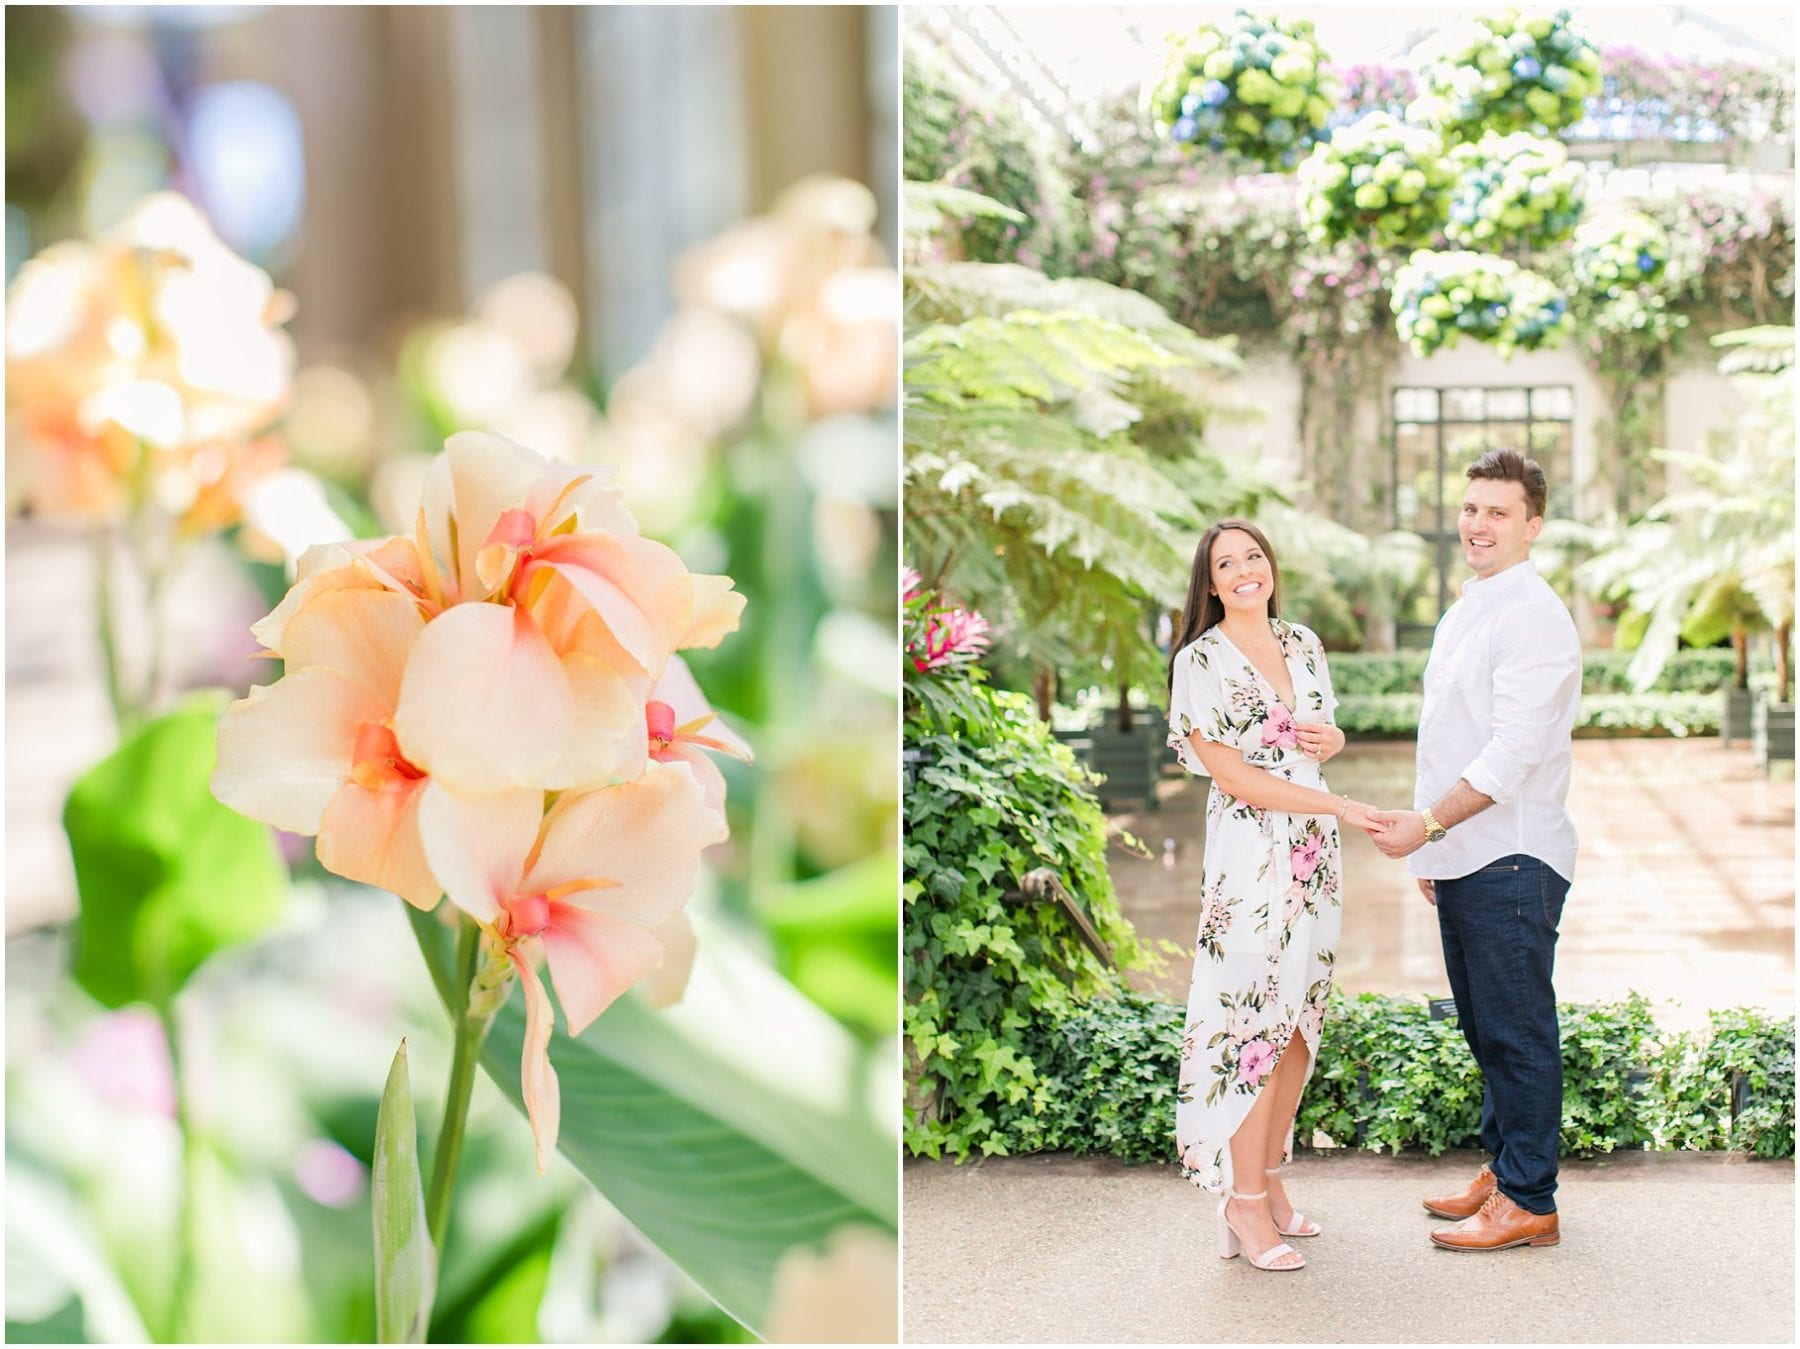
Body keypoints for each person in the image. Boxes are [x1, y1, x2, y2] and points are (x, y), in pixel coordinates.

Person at [1368, 448, 1582, 1253]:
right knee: (1486, 1027)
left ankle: (1530, 1198)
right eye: (1470, 508)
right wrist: (1436, 852)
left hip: (1513, 857)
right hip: (1468, 854)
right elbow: (1446, 737)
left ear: (1533, 525)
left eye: (1498, 511)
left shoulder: (1533, 613)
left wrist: (1429, 826)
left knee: (1517, 1029)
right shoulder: (1470, 605)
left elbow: (1513, 749)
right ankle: (1505, 1167)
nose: (1478, 523)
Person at [1165, 519, 1380, 1273]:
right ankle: (1242, 1200)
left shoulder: (1304, 643)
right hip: (1252, 857)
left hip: (1313, 856)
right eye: (1227, 563)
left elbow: (1316, 732)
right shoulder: (1200, 661)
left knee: (1296, 1021)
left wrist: (1335, 744)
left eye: (1253, 556)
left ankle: (1270, 1177)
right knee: (1251, 1023)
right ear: (1211, 583)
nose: (1245, 570)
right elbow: (1233, 775)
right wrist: (1342, 806)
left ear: (1270, 566)